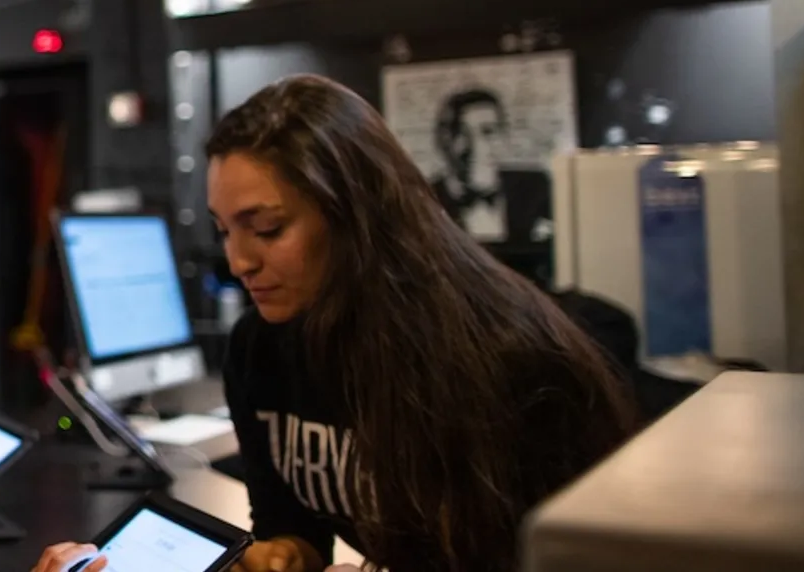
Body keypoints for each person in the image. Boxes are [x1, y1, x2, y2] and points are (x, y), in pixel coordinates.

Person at [199, 75, 632, 572]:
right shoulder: (259, 351)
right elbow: (290, 522)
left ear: (354, 211)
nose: (238, 262)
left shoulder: (499, 358)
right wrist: (287, 553)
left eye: (266, 229)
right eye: (224, 230)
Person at [427, 87, 550, 245]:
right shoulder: (424, 198)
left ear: (503, 137)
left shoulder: (535, 186)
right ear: (444, 141)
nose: (476, 147)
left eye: (488, 131)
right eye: (461, 133)